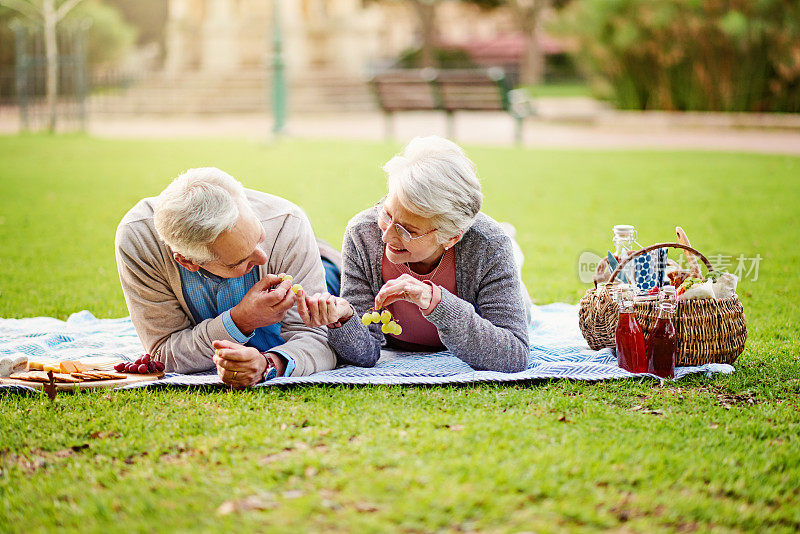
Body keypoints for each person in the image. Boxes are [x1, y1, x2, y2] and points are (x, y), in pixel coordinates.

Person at [296, 136, 530, 373]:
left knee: (516, 283)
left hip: (491, 286)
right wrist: (345, 320)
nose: (386, 236)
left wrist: (435, 301)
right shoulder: (363, 233)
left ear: (452, 237)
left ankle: (513, 252)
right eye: (387, 214)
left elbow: (513, 356)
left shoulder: (489, 246)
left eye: (407, 231)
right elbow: (363, 354)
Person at [115, 167, 339, 387]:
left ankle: (320, 250)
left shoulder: (286, 223)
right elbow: (164, 353)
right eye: (240, 261)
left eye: (259, 236)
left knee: (328, 283)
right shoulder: (140, 240)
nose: (262, 258)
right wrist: (241, 321)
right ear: (187, 262)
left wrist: (268, 364)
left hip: (321, 265)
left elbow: (318, 339)